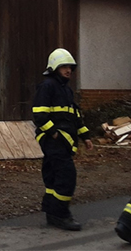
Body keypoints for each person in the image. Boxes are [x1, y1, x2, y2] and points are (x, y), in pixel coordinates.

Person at [33, 48, 93, 231]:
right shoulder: (48, 86)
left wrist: (86, 137)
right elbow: (39, 114)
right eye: (64, 66)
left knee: (53, 176)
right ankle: (61, 215)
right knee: (67, 177)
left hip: (63, 141)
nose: (68, 70)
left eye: (70, 67)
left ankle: (52, 212)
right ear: (54, 68)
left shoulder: (66, 90)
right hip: (54, 141)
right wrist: (53, 133)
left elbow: (75, 118)